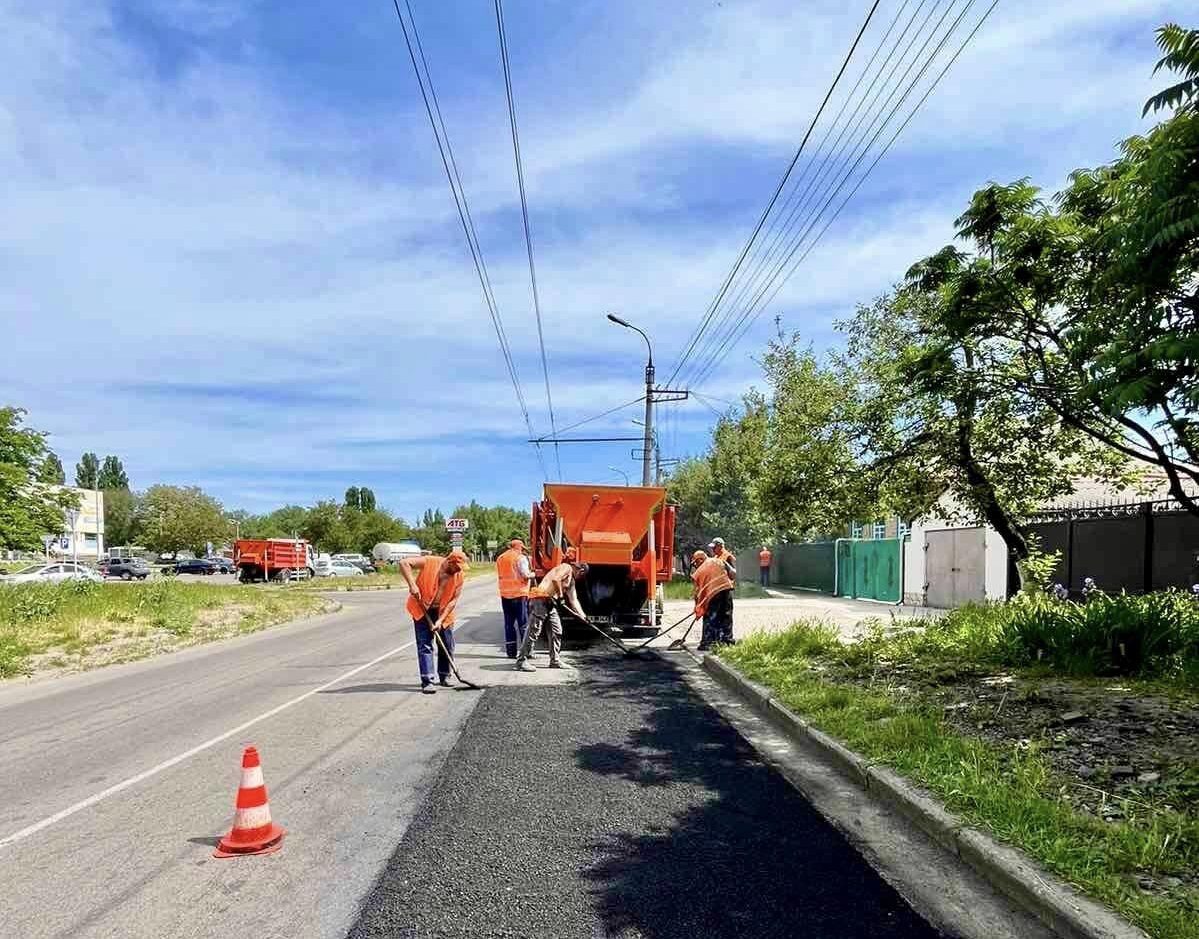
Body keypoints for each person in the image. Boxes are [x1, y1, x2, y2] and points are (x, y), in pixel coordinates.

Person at [401, 549, 469, 694]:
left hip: (443, 612)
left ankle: (444, 676)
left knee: (447, 644)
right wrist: (412, 585)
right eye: (457, 567)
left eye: (460, 568)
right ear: (449, 562)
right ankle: (428, 680)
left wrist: (440, 620)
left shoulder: (459, 576)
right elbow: (404, 563)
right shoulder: (430, 561)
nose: (458, 570)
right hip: (422, 608)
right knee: (425, 644)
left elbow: (453, 601)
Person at [514, 558, 589, 672]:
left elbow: (574, 600)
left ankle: (555, 661)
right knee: (534, 630)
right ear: (580, 570)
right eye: (582, 574)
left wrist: (584, 616)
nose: (580, 577)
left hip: (551, 603)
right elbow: (555, 579)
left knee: (556, 630)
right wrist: (561, 596)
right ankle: (521, 661)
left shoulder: (571, 581)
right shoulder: (566, 567)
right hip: (541, 598)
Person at [495, 538, 533, 658]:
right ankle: (526, 652)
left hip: (505, 595)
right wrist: (534, 574)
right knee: (523, 624)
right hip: (519, 594)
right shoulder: (520, 557)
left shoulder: (501, 558)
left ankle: (511, 652)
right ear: (520, 547)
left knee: (509, 624)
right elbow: (525, 575)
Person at [691, 549, 734, 651]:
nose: (695, 565)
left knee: (710, 617)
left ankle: (707, 643)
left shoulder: (698, 573)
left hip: (713, 595)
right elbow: (732, 573)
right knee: (726, 616)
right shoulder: (719, 560)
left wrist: (698, 609)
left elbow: (698, 594)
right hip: (726, 590)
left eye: (695, 562)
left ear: (700, 559)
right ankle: (726, 640)